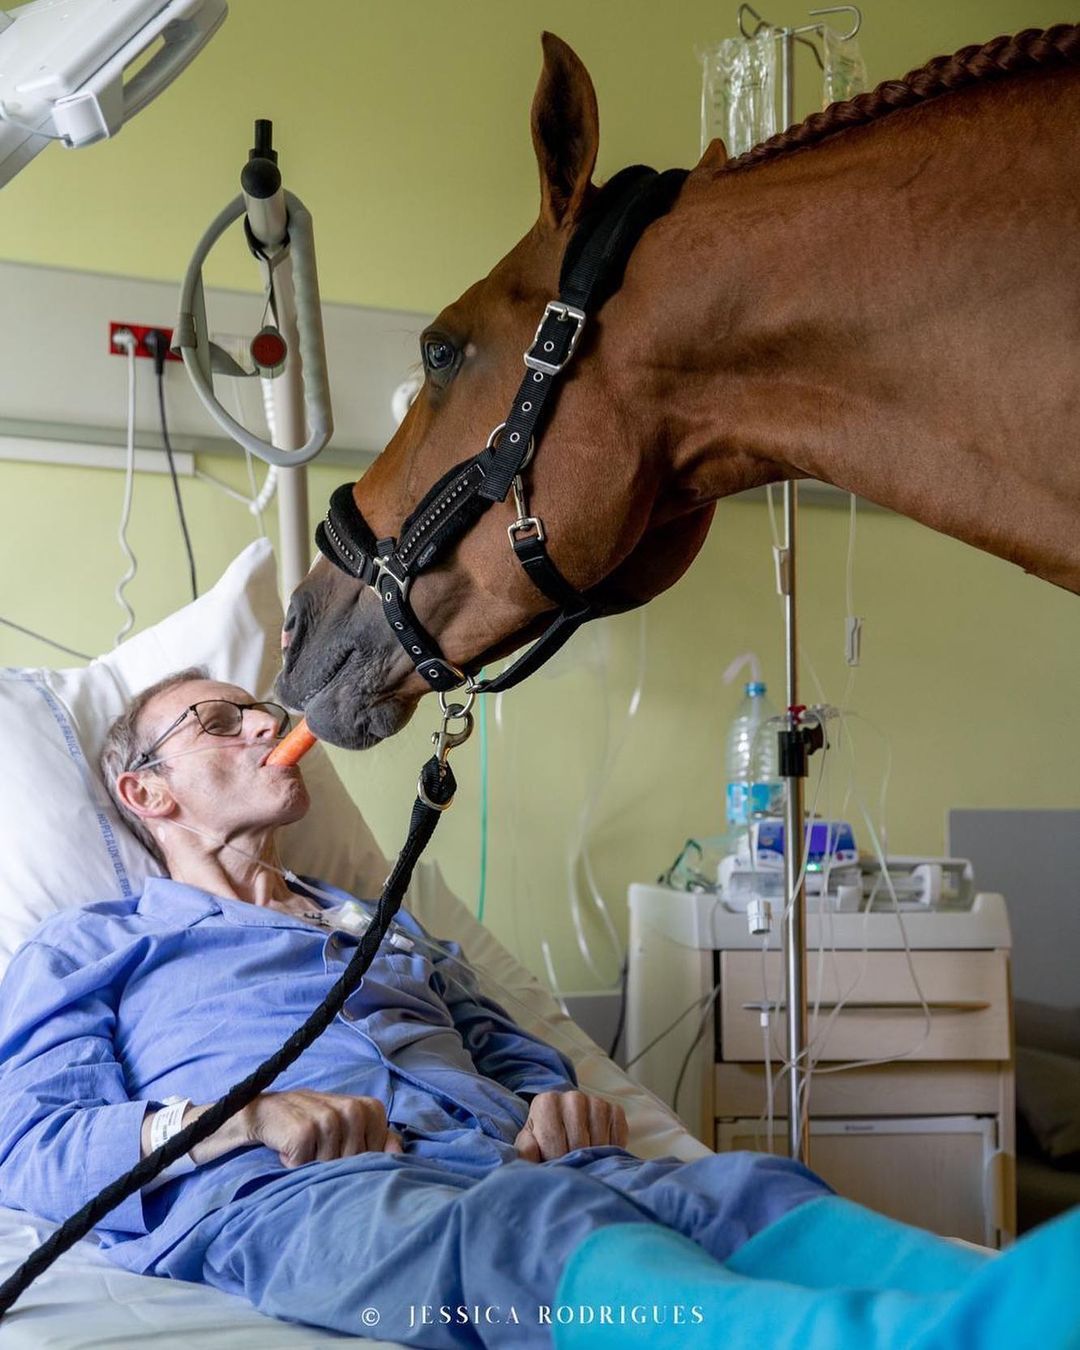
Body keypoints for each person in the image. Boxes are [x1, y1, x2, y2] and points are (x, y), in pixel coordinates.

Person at [0, 667, 830, 1347]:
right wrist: (244, 1117)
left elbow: (503, 1048)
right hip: (301, 1192)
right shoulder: (95, 943)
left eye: (264, 713)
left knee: (758, 1192)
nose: (263, 727)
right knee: (525, 1238)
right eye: (220, 722)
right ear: (146, 794)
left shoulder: (382, 919)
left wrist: (555, 1101)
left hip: (514, 1162)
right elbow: (33, 1143)